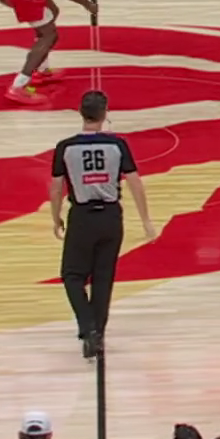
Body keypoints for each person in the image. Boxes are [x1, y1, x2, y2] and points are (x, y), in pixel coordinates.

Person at [51, 90, 154, 361]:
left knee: (72, 275)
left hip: (82, 216)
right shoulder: (117, 145)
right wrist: (146, 220)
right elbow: (135, 183)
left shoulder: (65, 147)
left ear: (80, 112)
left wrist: (55, 217)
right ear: (105, 113)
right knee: (103, 278)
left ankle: (88, 328)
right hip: (110, 217)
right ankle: (97, 333)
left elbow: (56, 187)